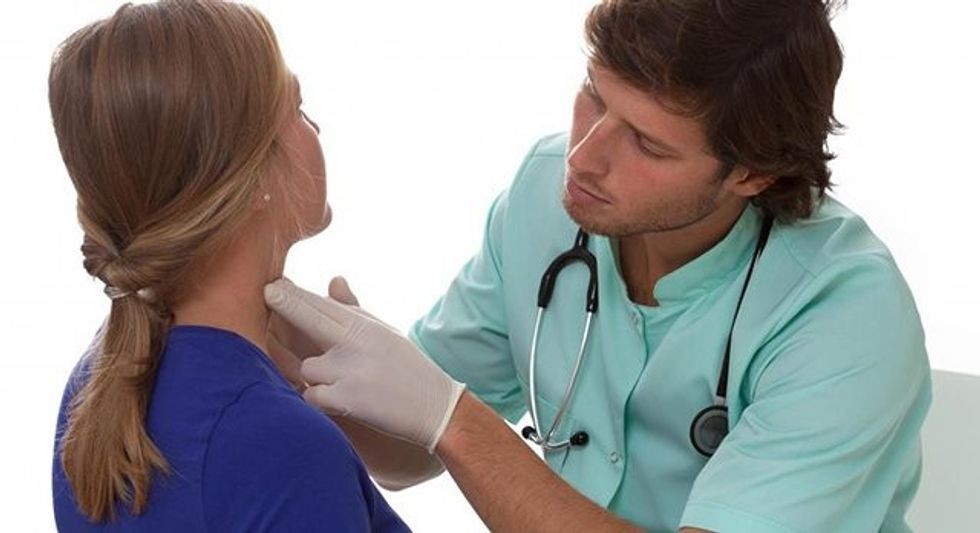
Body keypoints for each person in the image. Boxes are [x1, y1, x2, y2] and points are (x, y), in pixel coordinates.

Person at [265, 0, 931, 532]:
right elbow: (408, 457)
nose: (583, 157)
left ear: (754, 173)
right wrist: (319, 377)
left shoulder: (846, 312)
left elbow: (446, 427)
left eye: (647, 143)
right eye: (594, 94)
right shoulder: (544, 196)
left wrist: (452, 417)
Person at [49, 1, 409, 531]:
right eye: (297, 108)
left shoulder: (97, 390)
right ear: (252, 176)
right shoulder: (283, 445)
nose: (315, 127)